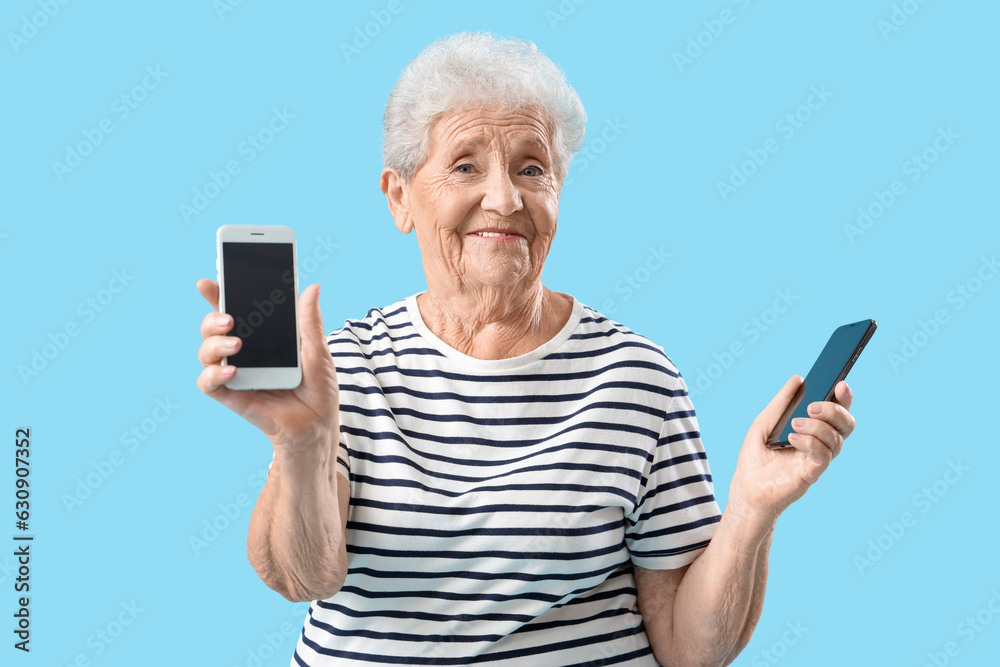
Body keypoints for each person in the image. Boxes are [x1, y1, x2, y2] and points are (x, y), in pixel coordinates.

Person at [195, 32, 857, 666]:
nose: (506, 197)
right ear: (400, 197)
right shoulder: (344, 369)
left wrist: (752, 509)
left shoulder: (635, 377)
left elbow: (692, 649)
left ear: (558, 191)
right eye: (465, 165)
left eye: (532, 167)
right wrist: (303, 445)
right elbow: (300, 574)